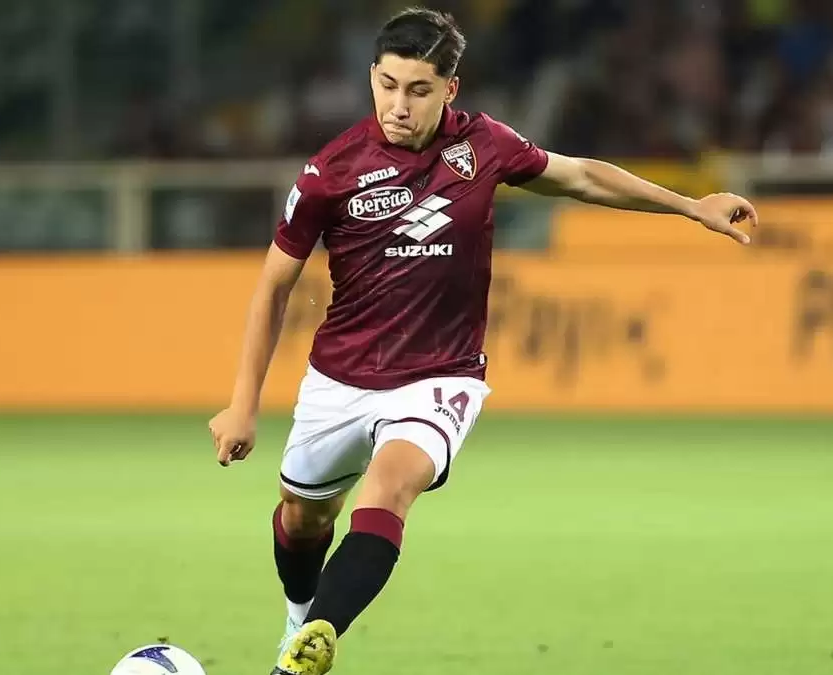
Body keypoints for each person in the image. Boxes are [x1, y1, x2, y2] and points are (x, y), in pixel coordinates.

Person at [207, 7, 758, 675]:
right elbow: (273, 287)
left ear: (450, 89)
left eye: (418, 90)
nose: (398, 105)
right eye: (387, 85)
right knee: (302, 520)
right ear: (372, 76)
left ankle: (312, 642)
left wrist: (690, 205)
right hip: (340, 377)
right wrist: (243, 405)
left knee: (388, 489)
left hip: (440, 376)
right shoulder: (331, 171)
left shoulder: (483, 145)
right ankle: (299, 617)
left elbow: (581, 175)